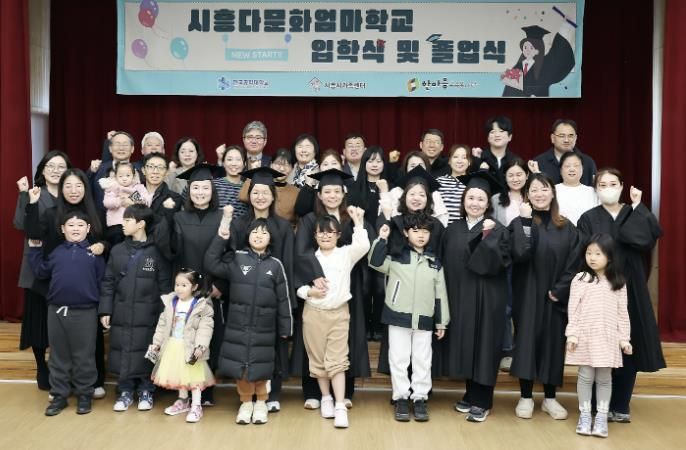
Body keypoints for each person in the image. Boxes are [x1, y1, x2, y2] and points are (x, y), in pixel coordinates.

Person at [577, 169, 664, 422]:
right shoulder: (588, 217)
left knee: (628, 345)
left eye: (613, 183)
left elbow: (645, 240)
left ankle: (621, 405)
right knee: (599, 345)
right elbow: (585, 253)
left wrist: (637, 206)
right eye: (602, 184)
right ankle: (596, 406)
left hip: (631, 286)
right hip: (599, 287)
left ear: (622, 186)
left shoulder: (633, 211)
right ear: (596, 189)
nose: (608, 188)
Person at [212, 166, 295, 412]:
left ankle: (273, 393)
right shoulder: (240, 225)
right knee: (246, 346)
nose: (260, 197)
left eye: (265, 192)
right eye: (255, 192)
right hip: (244, 297)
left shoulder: (283, 227)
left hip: (272, 300)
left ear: (273, 195)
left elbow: (288, 264)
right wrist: (222, 287)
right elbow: (229, 260)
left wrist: (287, 303)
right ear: (249, 195)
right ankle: (247, 397)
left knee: (273, 348)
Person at [292, 169, 374, 411]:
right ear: (319, 194)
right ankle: (313, 392)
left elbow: (362, 246)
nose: (332, 196)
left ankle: (344, 392)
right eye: (327, 191)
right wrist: (315, 275)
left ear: (344, 193)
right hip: (315, 285)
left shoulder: (350, 217)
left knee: (345, 340)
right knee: (314, 342)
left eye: (337, 191)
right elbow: (302, 250)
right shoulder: (310, 219)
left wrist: (358, 221)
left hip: (347, 285)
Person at [25, 168, 108, 399]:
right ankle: (61, 386)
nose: (73, 190)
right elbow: (33, 235)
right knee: (60, 345)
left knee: (89, 342)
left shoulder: (95, 213)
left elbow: (108, 239)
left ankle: (91, 385)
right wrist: (32, 204)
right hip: (58, 284)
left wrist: (103, 246)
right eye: (68, 186)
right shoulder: (51, 213)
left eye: (78, 185)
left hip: (87, 289)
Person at [205, 216, 292, 425]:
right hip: (238, 324)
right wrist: (221, 238)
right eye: (254, 232)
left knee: (262, 365)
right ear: (247, 236)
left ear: (271, 238)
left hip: (265, 326)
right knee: (241, 366)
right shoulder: (237, 258)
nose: (259, 236)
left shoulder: (276, 265)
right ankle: (245, 403)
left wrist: (286, 327)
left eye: (264, 232)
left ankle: (261, 403)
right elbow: (211, 263)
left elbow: (284, 299)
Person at [439, 171, 511, 423]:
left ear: (488, 203)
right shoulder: (452, 229)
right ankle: (471, 394)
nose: (475, 203)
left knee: (484, 346)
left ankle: (482, 401)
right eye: (471, 198)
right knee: (468, 345)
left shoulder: (498, 229)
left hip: (487, 299)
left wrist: (487, 236)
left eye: (481, 199)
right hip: (459, 297)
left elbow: (499, 263)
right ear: (463, 200)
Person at [509, 173, 581, 420]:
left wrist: (560, 289)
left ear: (553, 192)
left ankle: (550, 398)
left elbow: (575, 261)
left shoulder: (566, 226)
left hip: (555, 296)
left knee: (553, 344)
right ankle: (526, 397)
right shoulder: (520, 223)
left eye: (544, 189)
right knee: (526, 342)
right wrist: (525, 221)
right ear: (527, 195)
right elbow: (520, 254)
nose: (539, 194)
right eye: (534, 190)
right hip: (527, 293)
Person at [369, 213, 449, 422]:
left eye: (425, 231)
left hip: (424, 320)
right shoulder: (396, 257)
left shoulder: (434, 262)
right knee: (399, 359)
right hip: (398, 317)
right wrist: (382, 238)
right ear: (406, 233)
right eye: (415, 231)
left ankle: (420, 398)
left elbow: (440, 294)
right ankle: (401, 398)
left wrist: (441, 322)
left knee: (423, 360)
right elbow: (375, 262)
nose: (421, 235)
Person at [297, 209, 369, 428]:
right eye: (321, 232)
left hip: (338, 314)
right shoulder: (309, 258)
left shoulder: (345, 254)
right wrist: (309, 292)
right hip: (313, 314)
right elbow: (297, 286)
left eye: (330, 232)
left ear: (338, 235)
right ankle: (326, 398)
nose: (326, 236)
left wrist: (358, 222)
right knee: (318, 360)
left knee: (337, 361)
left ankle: (339, 405)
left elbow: (363, 246)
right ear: (315, 235)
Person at [99, 205, 172, 412]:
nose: (123, 224)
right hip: (121, 311)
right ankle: (125, 390)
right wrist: (106, 310)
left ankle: (146, 390)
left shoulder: (157, 252)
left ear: (141, 224)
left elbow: (165, 286)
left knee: (147, 351)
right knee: (124, 350)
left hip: (149, 314)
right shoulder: (117, 250)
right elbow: (108, 282)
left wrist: (165, 315)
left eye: (127, 220)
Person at [166, 163, 224, 406]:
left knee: (207, 339)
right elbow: (172, 252)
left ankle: (206, 392)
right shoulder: (179, 217)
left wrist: (220, 284)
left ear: (213, 190)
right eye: (196, 188)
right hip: (186, 290)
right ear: (189, 191)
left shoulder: (222, 217)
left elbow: (229, 253)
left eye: (205, 188)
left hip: (211, 288)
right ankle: (184, 391)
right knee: (183, 338)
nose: (200, 192)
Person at [14, 150, 71, 391]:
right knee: (38, 320)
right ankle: (41, 367)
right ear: (43, 170)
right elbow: (20, 223)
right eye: (51, 166)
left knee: (64, 321)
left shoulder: (72, 193)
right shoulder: (34, 193)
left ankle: (62, 368)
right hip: (37, 266)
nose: (56, 170)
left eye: (61, 166)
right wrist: (25, 197)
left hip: (66, 266)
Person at [566, 234, 632, 438]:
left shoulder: (618, 282)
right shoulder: (580, 279)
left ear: (609, 256)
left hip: (607, 338)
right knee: (585, 376)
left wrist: (624, 338)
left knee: (604, 377)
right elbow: (573, 309)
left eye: (598, 253)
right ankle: (585, 415)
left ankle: (602, 417)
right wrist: (572, 334)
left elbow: (622, 313)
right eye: (589, 253)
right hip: (585, 337)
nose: (592, 258)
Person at [149, 269, 215, 423]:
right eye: (177, 284)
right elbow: (162, 325)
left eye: (184, 285)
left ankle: (196, 405)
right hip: (173, 345)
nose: (179, 288)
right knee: (179, 374)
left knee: (194, 377)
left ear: (194, 287)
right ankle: (183, 400)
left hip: (192, 348)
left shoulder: (201, 305)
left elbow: (205, 328)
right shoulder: (171, 303)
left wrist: (200, 346)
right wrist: (156, 343)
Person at [348, 146, 392, 340]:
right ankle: (365, 327)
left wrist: (385, 192)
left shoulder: (390, 187)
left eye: (379, 161)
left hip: (383, 243)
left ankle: (378, 327)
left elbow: (391, 215)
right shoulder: (354, 188)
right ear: (364, 163)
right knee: (365, 288)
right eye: (370, 160)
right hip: (363, 245)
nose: (375, 165)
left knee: (381, 288)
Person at [491, 158, 529, 372]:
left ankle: (523, 350)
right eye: (511, 175)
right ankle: (506, 350)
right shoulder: (497, 200)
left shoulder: (533, 196)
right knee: (506, 306)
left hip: (529, 260)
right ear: (504, 177)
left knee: (525, 306)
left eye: (519, 174)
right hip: (504, 259)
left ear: (526, 175)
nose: (515, 178)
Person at [501, 22, 575, 97]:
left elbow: (558, 56)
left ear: (538, 50)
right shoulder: (518, 67)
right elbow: (509, 92)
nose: (527, 50)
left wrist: (565, 27)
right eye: (525, 47)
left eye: (531, 48)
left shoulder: (545, 65)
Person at [379, 152, 449, 227]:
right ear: (406, 169)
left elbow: (441, 221)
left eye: (421, 165)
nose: (417, 168)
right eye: (412, 166)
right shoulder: (396, 192)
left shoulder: (434, 194)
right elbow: (386, 216)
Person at [238, 148, 300, 227]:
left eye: (287, 165)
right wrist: (253, 174)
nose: (282, 169)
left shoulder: (296, 192)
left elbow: (298, 219)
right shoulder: (261, 185)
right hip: (258, 229)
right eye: (278, 164)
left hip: (284, 231)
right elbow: (243, 196)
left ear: (292, 168)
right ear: (271, 164)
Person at [531, 119, 597, 186]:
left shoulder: (588, 162)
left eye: (570, 136)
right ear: (552, 138)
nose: (566, 140)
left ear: (576, 138)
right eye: (561, 136)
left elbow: (594, 188)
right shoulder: (539, 162)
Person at [100, 162, 150, 245]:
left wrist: (131, 199)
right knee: (117, 244)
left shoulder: (139, 187)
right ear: (115, 176)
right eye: (120, 176)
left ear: (133, 175)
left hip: (135, 225)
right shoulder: (112, 188)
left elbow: (146, 202)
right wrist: (120, 201)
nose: (124, 178)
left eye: (128, 175)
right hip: (117, 224)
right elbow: (107, 202)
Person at [88, 131, 137, 211]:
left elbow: (143, 195)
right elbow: (87, 193)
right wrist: (91, 172)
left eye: (125, 144)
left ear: (132, 149)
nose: (121, 148)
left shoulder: (139, 171)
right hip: (101, 218)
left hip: (133, 217)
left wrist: (129, 200)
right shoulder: (98, 169)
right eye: (117, 144)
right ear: (110, 148)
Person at [471, 117, 522, 187]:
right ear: (488, 138)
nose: (497, 135)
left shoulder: (515, 160)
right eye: (492, 132)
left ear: (510, 137)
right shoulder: (479, 158)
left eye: (501, 131)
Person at [555, 151, 599, 225]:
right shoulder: (552, 190)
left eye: (576, 166)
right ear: (560, 170)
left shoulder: (592, 192)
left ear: (582, 169)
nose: (572, 169)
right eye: (567, 166)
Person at [437, 144, 472, 225]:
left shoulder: (473, 184)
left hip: (466, 230)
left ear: (469, 162)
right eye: (455, 157)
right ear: (449, 161)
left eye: (464, 157)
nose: (459, 161)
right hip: (442, 230)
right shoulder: (439, 182)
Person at [214, 144, 248, 218]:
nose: (233, 164)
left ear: (244, 164)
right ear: (223, 163)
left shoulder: (246, 188)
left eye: (238, 160)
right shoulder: (214, 184)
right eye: (229, 159)